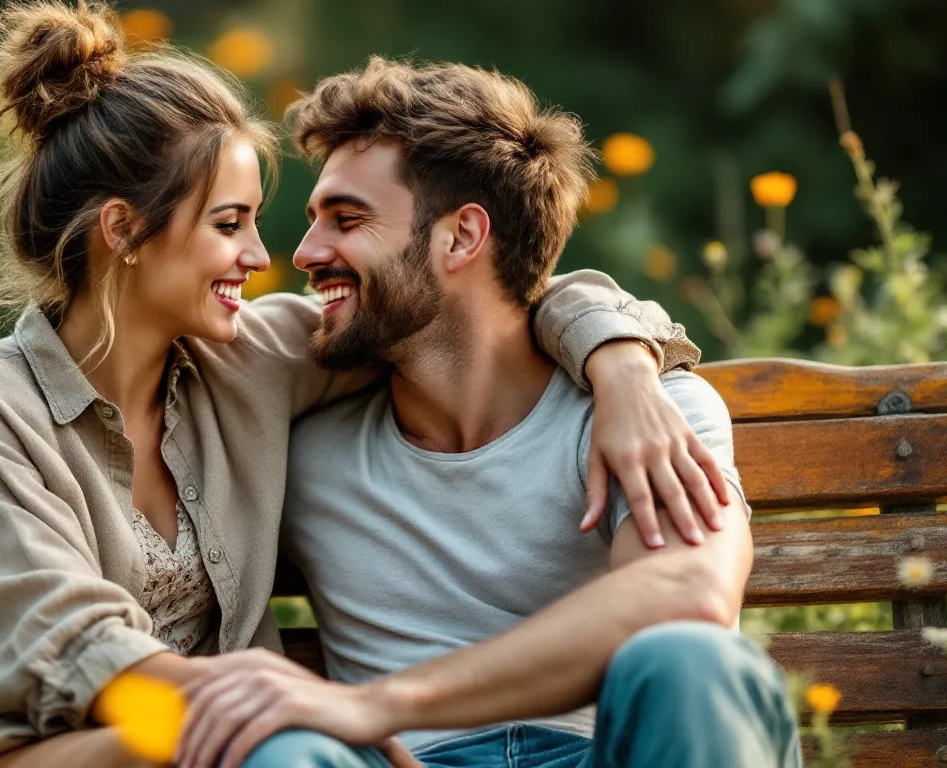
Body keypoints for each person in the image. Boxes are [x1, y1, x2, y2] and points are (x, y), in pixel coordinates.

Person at [0, 3, 721, 767]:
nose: (271, 259)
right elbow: (79, 656)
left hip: (226, 742)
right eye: (231, 224)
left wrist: (620, 361)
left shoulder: (248, 368)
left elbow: (482, 308)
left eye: (326, 220)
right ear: (123, 232)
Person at [174, 58, 801, 768]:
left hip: (608, 753)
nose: (306, 252)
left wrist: (377, 703)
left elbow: (690, 592)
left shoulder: (652, 412)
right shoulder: (296, 436)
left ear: (463, 237)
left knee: (695, 663)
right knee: (281, 754)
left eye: (347, 220)